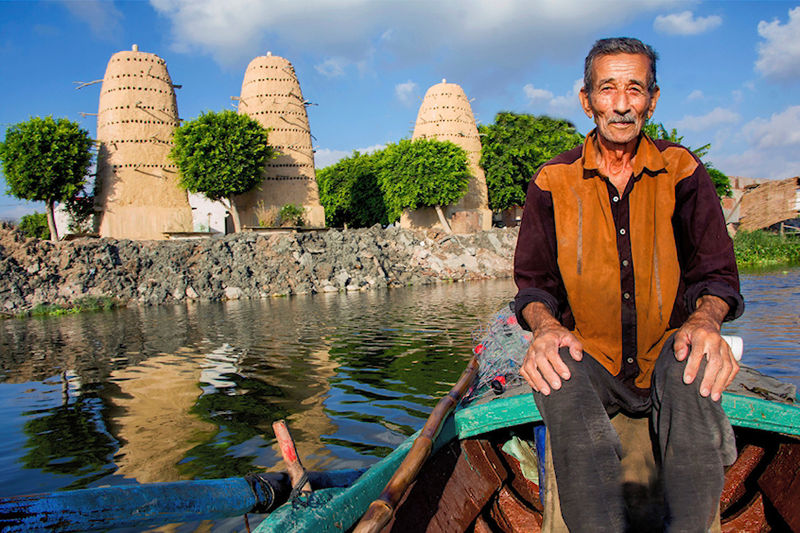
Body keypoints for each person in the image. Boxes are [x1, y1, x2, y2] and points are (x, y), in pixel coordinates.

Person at [513, 37, 743, 532]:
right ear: (587, 100)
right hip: (590, 356)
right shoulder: (552, 181)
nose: (621, 104)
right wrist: (546, 328)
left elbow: (717, 274)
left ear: (652, 99)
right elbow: (534, 286)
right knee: (558, 377)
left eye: (634, 89)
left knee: (696, 374)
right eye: (608, 89)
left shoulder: (682, 170)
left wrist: (704, 321)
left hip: (666, 350)